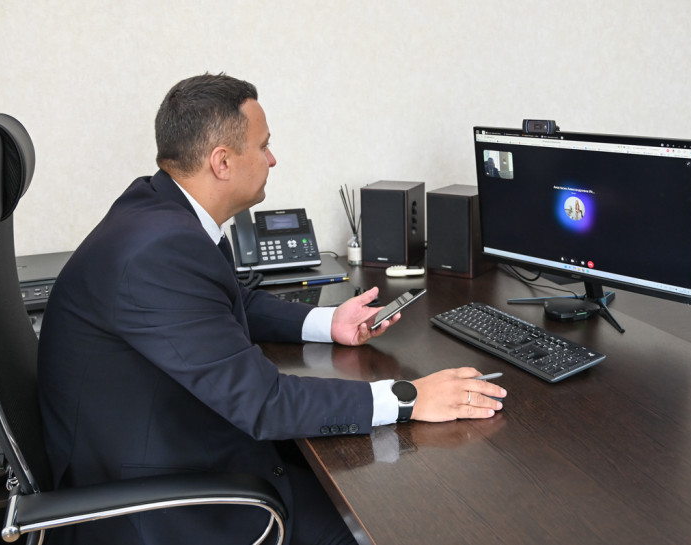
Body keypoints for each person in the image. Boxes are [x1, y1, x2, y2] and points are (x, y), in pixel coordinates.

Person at [37, 73, 506, 545]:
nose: (272, 159)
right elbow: (263, 403)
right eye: (263, 146)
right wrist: (408, 398)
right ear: (222, 162)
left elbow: (229, 300)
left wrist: (327, 321)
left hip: (179, 446)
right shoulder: (160, 252)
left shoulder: (161, 209)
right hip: (168, 504)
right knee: (390, 524)